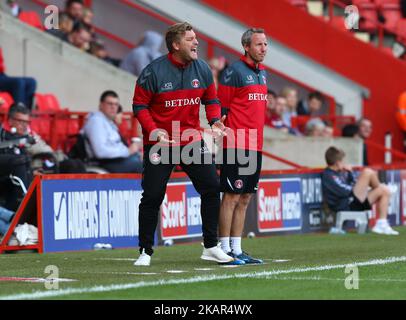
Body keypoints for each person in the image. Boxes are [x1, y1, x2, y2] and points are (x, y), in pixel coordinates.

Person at [132, 22, 233, 266]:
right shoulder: (153, 71)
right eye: (190, 39)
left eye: (196, 38)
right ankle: (145, 251)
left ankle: (210, 246)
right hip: (161, 142)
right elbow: (139, 106)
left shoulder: (203, 69)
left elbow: (211, 99)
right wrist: (154, 131)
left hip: (190, 139)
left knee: (211, 188)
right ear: (176, 45)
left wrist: (215, 120)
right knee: (153, 195)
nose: (196, 42)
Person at [217, 28, 269, 265]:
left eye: (265, 44)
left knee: (246, 196)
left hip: (255, 144)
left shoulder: (262, 73)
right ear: (246, 46)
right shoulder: (233, 72)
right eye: (259, 45)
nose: (264, 49)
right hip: (236, 143)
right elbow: (221, 110)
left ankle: (237, 249)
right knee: (231, 196)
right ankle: (223, 248)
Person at [321, 146, 398, 235]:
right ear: (338, 163)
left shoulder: (342, 172)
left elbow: (353, 182)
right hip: (345, 205)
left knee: (384, 191)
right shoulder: (328, 175)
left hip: (353, 201)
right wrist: (363, 188)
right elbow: (343, 191)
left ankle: (381, 224)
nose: (344, 163)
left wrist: (350, 173)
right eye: (342, 161)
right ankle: (382, 185)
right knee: (367, 172)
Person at [82, 90, 142, 173]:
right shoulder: (96, 122)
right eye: (110, 104)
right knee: (143, 166)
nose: (113, 107)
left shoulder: (107, 121)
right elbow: (100, 152)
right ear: (101, 105)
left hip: (117, 160)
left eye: (116, 104)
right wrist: (128, 151)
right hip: (106, 163)